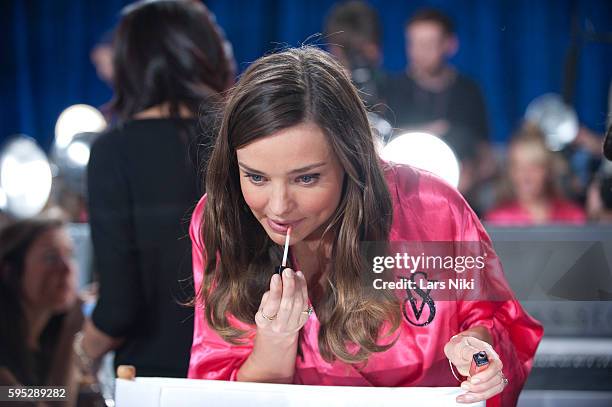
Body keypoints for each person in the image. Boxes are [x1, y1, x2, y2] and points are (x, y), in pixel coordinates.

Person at [187, 46, 543, 406]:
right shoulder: (224, 220)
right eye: (256, 177)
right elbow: (218, 390)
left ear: (351, 160)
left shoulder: (430, 208)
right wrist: (275, 342)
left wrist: (476, 352)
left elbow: (488, 318)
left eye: (306, 178)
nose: (279, 207)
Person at [80, 0, 234, 378]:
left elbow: (118, 308)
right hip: (243, 368)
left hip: (151, 375)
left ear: (131, 62)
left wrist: (77, 356)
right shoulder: (241, 137)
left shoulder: (114, 151)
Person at [381, 8, 495, 204]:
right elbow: (379, 146)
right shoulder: (391, 90)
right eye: (414, 43)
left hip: (460, 200)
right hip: (402, 200)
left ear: (450, 44)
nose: (420, 52)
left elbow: (487, 157)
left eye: (428, 44)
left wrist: (471, 177)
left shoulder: (468, 91)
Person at [0, 212, 82, 406]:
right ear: (9, 271)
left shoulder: (46, 339)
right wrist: (72, 330)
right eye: (51, 258)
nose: (67, 268)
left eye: (69, 255)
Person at [485, 123, 586, 225]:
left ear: (548, 171)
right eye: (518, 167)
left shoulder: (572, 217)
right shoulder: (498, 220)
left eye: (534, 167)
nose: (525, 176)